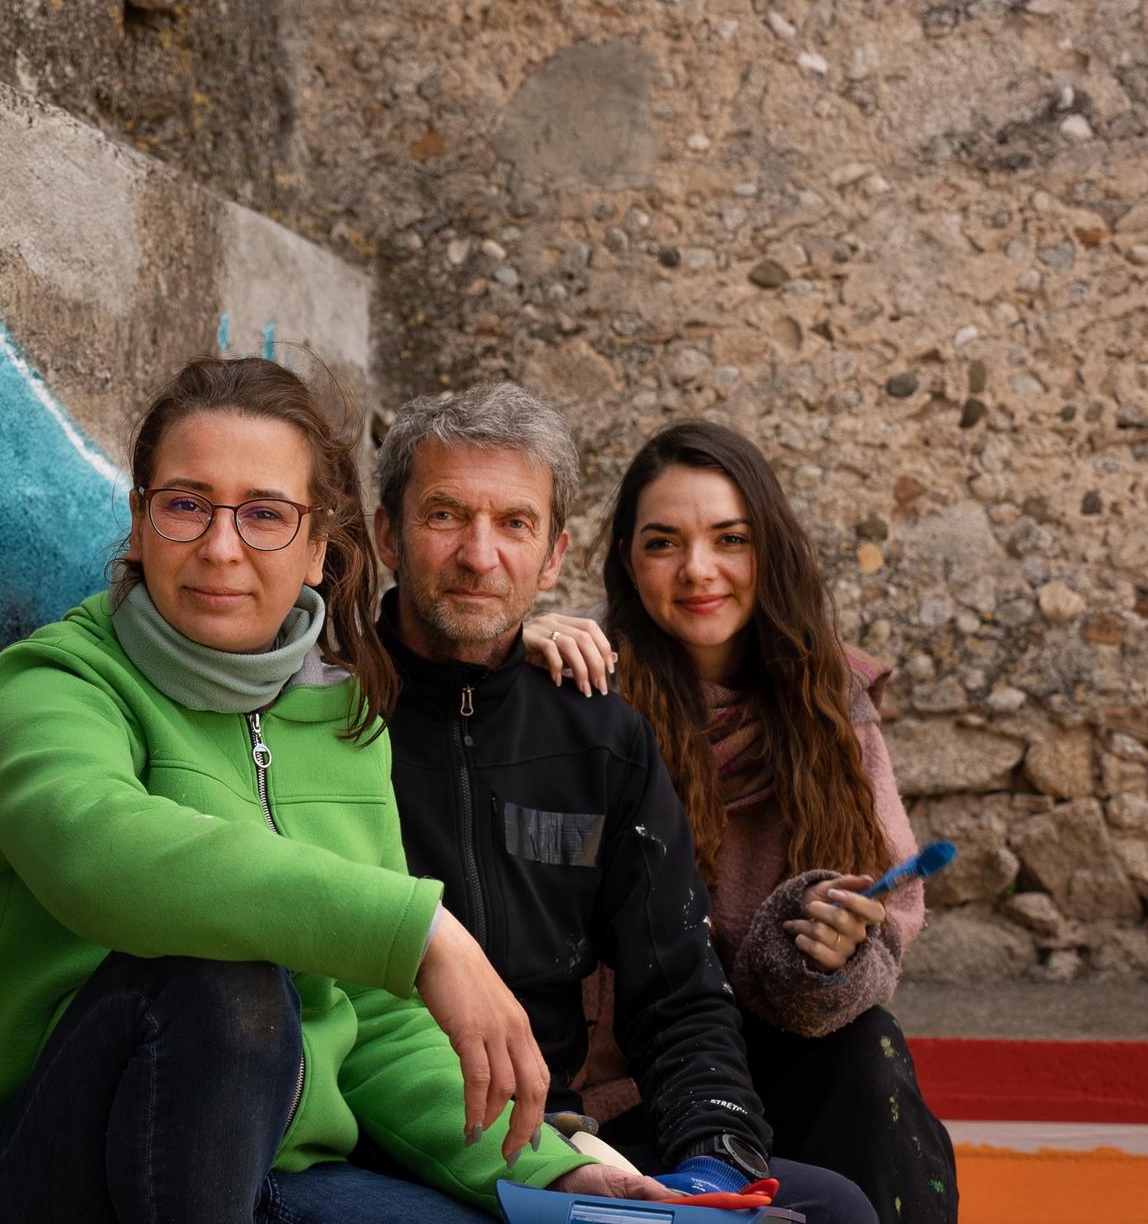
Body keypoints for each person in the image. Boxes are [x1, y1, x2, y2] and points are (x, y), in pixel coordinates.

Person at [0, 357, 674, 1224]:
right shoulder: (55, 685)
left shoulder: (346, 724)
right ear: (139, 522)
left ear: (317, 548)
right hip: (45, 1183)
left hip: (278, 1176)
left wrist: (554, 1172)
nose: (221, 546)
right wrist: (418, 930)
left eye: (265, 514)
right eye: (187, 503)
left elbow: (380, 1031)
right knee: (222, 982)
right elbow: (100, 849)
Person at [369, 383, 875, 1224]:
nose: (479, 555)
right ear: (388, 534)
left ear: (556, 554)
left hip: (555, 1131)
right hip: (381, 1130)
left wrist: (713, 1166)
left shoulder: (603, 738)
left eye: (515, 524)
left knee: (835, 1210)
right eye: (446, 516)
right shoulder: (328, 712)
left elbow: (677, 991)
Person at [522, 420, 957, 1224]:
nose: (699, 571)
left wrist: (830, 954)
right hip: (627, 1078)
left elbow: (885, 917)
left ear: (771, 550)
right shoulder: (574, 686)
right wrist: (509, 647)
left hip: (776, 1049)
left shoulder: (828, 702)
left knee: (867, 1052)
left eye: (731, 538)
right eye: (663, 544)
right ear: (624, 559)